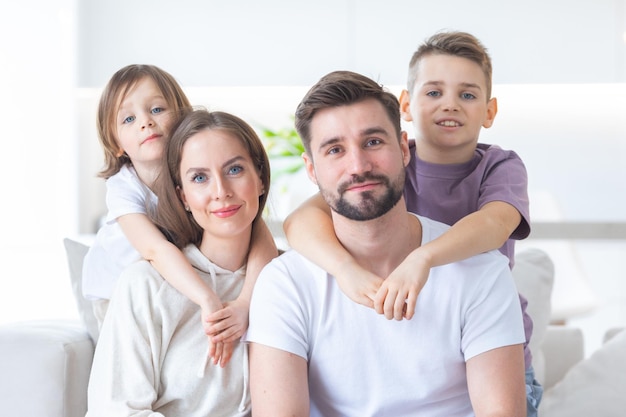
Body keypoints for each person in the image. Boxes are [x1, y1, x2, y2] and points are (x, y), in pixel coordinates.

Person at [282, 31, 541, 414]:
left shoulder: (499, 167)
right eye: (434, 92)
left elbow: (494, 224)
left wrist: (422, 259)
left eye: (467, 95)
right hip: (406, 340)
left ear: (489, 111)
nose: (449, 105)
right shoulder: (379, 165)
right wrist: (345, 269)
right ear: (407, 104)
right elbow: (300, 221)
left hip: (491, 352)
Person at [87, 108, 276, 416]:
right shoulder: (146, 286)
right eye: (199, 178)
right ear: (183, 196)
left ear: (261, 180)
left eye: (235, 170)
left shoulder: (286, 280)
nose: (221, 192)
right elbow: (114, 410)